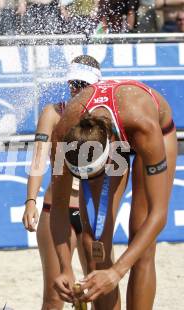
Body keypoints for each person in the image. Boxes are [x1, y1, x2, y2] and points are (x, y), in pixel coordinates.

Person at [50, 78, 177, 309]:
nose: (88, 183)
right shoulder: (61, 138)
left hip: (149, 126)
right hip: (109, 132)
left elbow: (158, 215)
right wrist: (64, 267)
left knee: (142, 244)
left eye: (94, 175)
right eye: (82, 178)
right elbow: (58, 207)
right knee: (94, 244)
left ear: (110, 155)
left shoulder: (143, 128)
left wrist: (117, 272)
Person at [22, 55, 101, 309]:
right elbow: (38, 160)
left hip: (92, 213)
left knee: (97, 292)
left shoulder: (104, 117)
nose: (77, 88)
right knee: (55, 297)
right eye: (74, 83)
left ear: (96, 85)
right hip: (57, 208)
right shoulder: (53, 113)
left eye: (83, 83)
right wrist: (30, 201)